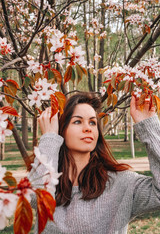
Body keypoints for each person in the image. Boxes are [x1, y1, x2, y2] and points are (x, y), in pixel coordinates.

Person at [29, 92, 160, 234]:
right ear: (61, 130)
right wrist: (49, 138)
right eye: (77, 121)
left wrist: (149, 126)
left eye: (92, 122)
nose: (88, 128)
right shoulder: (47, 179)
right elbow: (34, 198)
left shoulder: (121, 184)